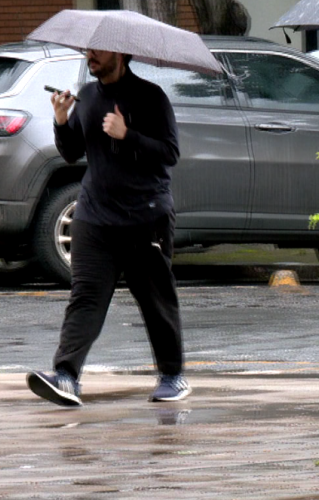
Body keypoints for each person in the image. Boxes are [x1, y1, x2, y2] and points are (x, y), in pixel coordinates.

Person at [26, 48, 190, 407]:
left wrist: (127, 134)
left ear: (120, 54)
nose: (90, 56)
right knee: (86, 298)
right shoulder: (86, 97)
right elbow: (71, 152)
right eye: (88, 50)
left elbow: (170, 153)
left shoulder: (151, 98)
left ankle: (172, 376)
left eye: (98, 51)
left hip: (145, 217)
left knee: (156, 301)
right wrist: (60, 119)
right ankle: (66, 376)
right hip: (94, 217)